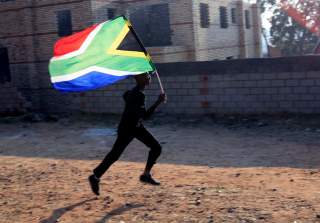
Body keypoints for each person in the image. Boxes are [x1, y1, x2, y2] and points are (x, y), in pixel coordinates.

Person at [88, 72, 167, 195]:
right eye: (145, 75)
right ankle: (95, 176)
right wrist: (158, 102)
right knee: (115, 155)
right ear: (137, 78)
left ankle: (146, 175)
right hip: (127, 129)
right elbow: (144, 116)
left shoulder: (135, 93)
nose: (148, 77)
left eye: (148, 74)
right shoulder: (138, 95)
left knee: (156, 148)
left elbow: (126, 96)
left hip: (136, 127)